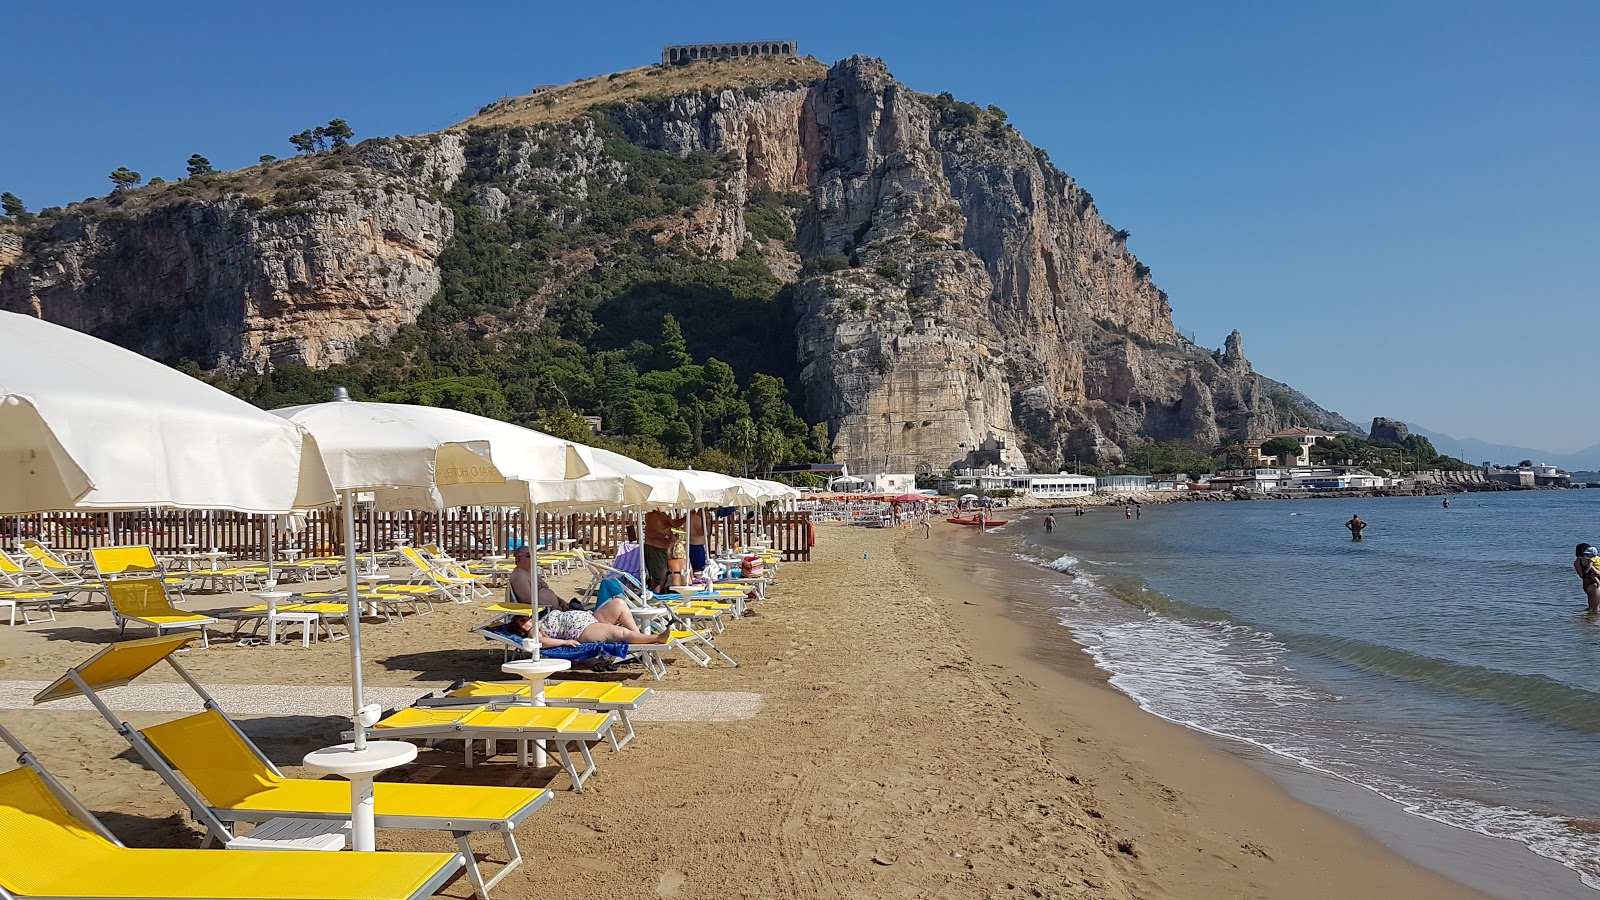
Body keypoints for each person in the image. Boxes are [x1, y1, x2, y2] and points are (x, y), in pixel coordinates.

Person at [498, 612, 669, 648]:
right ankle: (654, 639)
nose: (527, 618)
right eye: (523, 620)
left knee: (619, 605)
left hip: (588, 618)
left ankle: (640, 637)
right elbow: (542, 642)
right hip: (581, 629)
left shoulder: (538, 621)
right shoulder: (533, 632)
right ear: (521, 628)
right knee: (620, 633)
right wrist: (565, 642)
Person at [643, 509, 684, 592]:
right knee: (657, 578)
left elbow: (673, 524)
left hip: (661, 549)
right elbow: (657, 532)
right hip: (655, 549)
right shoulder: (653, 515)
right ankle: (656, 598)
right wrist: (667, 535)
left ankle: (660, 594)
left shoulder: (660, 514)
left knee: (662, 577)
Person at [1575, 544, 1600, 614]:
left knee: (1591, 607)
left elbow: (1581, 575)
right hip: (1594, 585)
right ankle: (1590, 622)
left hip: (1586, 585)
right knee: (1596, 609)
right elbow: (1596, 572)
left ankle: (1587, 620)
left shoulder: (1576, 562)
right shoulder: (1588, 561)